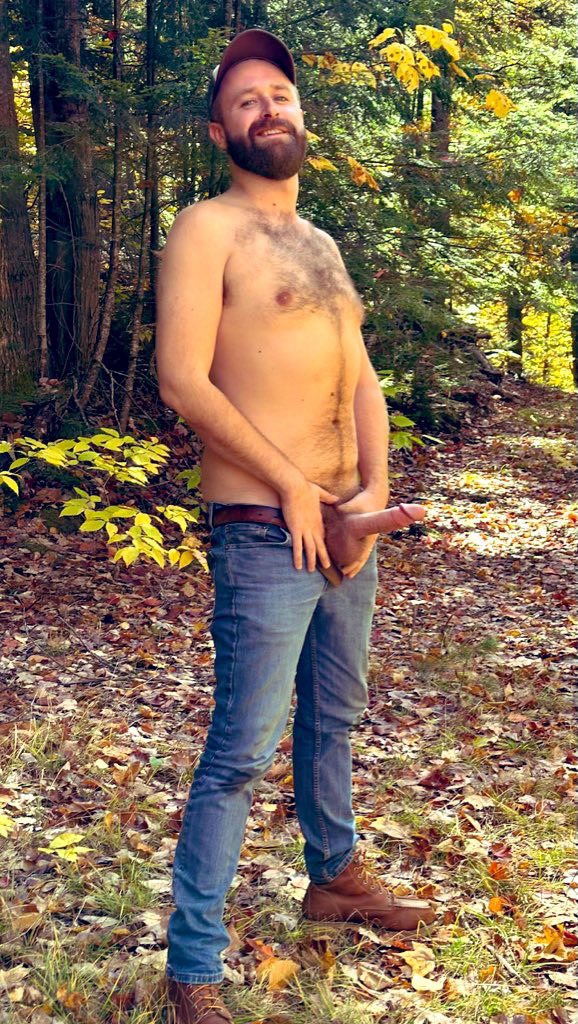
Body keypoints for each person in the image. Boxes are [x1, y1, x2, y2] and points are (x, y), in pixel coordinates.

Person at [155, 29, 434, 1024]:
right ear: (218, 131)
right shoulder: (206, 229)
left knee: (333, 719)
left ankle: (335, 877)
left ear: (300, 114)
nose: (268, 107)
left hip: (345, 529)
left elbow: (361, 379)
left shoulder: (319, 244)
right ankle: (193, 964)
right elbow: (181, 379)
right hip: (263, 532)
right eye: (245, 100)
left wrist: (369, 498)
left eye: (279, 92)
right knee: (241, 750)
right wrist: (293, 489)